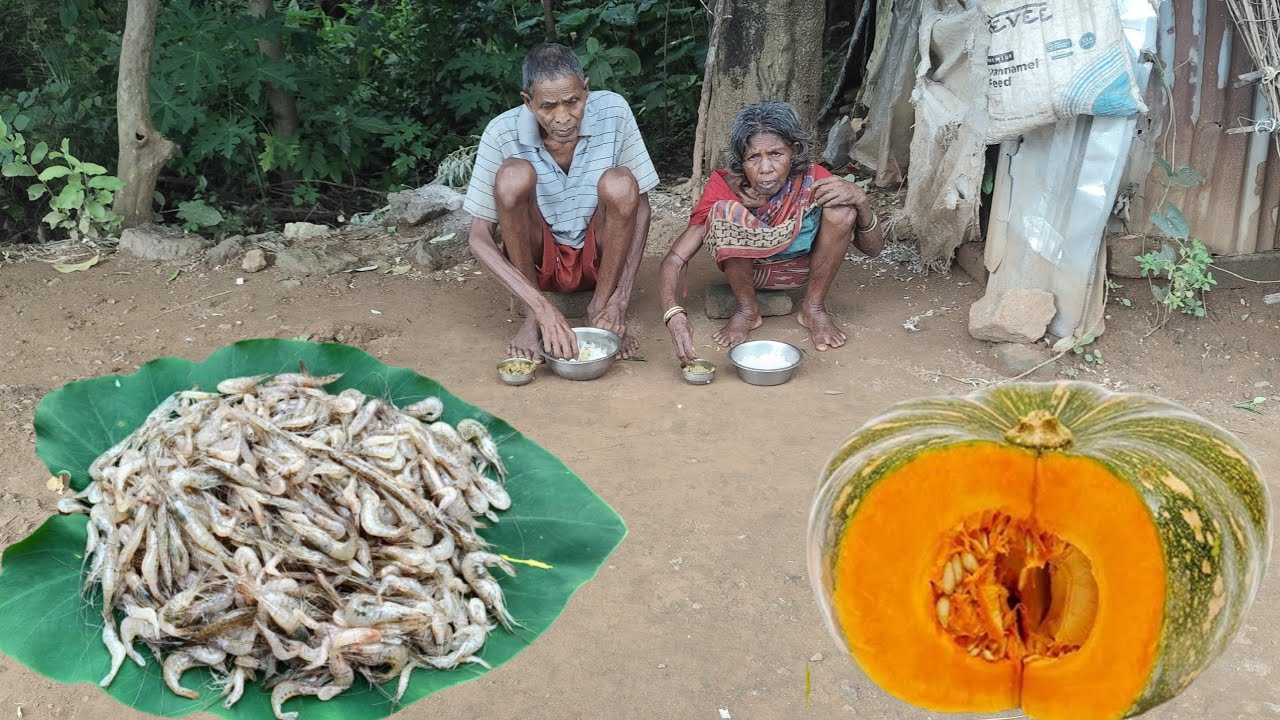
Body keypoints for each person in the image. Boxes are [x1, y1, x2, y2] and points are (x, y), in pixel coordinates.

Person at [464, 43, 659, 362]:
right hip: (537, 262)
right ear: (528, 102)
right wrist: (540, 308)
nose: (563, 118)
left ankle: (599, 307)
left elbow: (642, 209)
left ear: (586, 90)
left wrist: (619, 299)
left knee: (622, 183)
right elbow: (478, 237)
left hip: (600, 261)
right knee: (513, 175)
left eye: (573, 101)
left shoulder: (614, 110)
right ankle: (531, 318)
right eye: (547, 106)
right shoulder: (501, 133)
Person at [657, 101, 884, 361]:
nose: (765, 168)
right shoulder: (726, 187)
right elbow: (674, 260)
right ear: (741, 161)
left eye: (776, 154)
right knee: (723, 211)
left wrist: (861, 201)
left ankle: (813, 308)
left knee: (842, 209)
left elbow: (873, 249)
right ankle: (746, 309)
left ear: (794, 151)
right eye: (754, 157)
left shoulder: (813, 180)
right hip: (748, 275)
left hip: (801, 272)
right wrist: (673, 313)